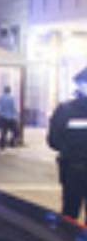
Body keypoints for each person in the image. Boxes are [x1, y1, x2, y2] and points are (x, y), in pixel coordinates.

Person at [48, 68, 87, 220]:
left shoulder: (65, 110)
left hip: (73, 169)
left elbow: (53, 141)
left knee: (70, 215)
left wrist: (73, 149)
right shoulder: (65, 110)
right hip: (73, 168)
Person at [0, 86, 19, 150]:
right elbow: (14, 108)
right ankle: (12, 142)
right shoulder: (12, 99)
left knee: (3, 132)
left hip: (2, 117)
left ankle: (2, 146)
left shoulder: (0, 98)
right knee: (15, 131)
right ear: (9, 91)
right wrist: (17, 115)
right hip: (10, 117)